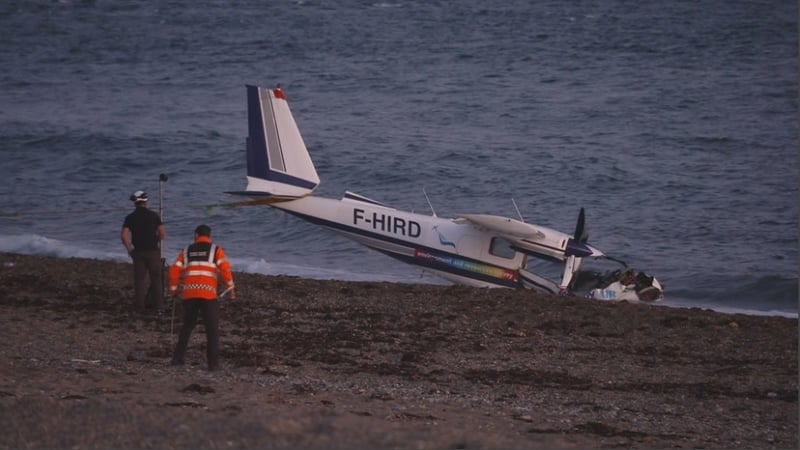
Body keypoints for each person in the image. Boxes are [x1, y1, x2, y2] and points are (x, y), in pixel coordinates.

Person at [169, 224, 235, 371]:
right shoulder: (216, 250)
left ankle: (177, 358)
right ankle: (213, 364)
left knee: (187, 326)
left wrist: (174, 291)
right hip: (208, 294)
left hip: (189, 294)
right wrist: (231, 288)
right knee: (212, 329)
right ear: (209, 236)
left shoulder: (186, 251)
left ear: (196, 235)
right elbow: (225, 270)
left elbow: (174, 271)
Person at [121, 190, 166, 313]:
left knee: (139, 281)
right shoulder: (154, 215)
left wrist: (130, 249)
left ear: (135, 203)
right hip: (153, 251)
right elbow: (162, 233)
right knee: (156, 280)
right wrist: (156, 240)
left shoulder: (130, 217)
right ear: (146, 202)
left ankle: (140, 307)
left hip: (138, 252)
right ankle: (159, 307)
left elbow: (124, 236)